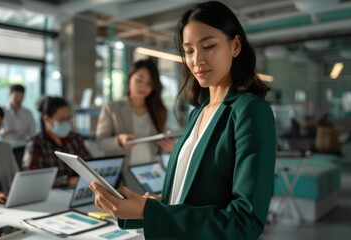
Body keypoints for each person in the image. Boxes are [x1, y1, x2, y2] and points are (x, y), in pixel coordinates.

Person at [90, 1, 276, 239]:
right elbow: (191, 195)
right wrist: (152, 204)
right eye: (189, 50)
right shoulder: (198, 112)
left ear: (236, 45)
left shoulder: (250, 111)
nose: (197, 60)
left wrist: (150, 211)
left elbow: (244, 222)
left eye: (208, 46)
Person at [95, 58, 174, 193]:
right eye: (139, 80)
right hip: (122, 174)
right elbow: (101, 142)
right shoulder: (112, 108)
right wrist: (119, 140)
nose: (143, 86)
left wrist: (168, 147)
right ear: (130, 77)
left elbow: (158, 148)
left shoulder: (158, 110)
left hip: (149, 173)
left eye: (149, 83)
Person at [22, 96, 91, 188]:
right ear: (47, 119)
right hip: (49, 195)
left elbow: (89, 165)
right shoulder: (36, 143)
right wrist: (68, 181)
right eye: (62, 120)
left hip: (76, 191)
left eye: (68, 119)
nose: (66, 123)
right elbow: (32, 179)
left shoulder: (75, 139)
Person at [0, 84, 36, 166]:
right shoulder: (1, 111)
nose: (19, 99)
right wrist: (2, 132)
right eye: (16, 96)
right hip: (5, 149)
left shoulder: (28, 113)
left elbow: (32, 132)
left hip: (22, 149)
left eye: (21, 97)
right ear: (10, 95)